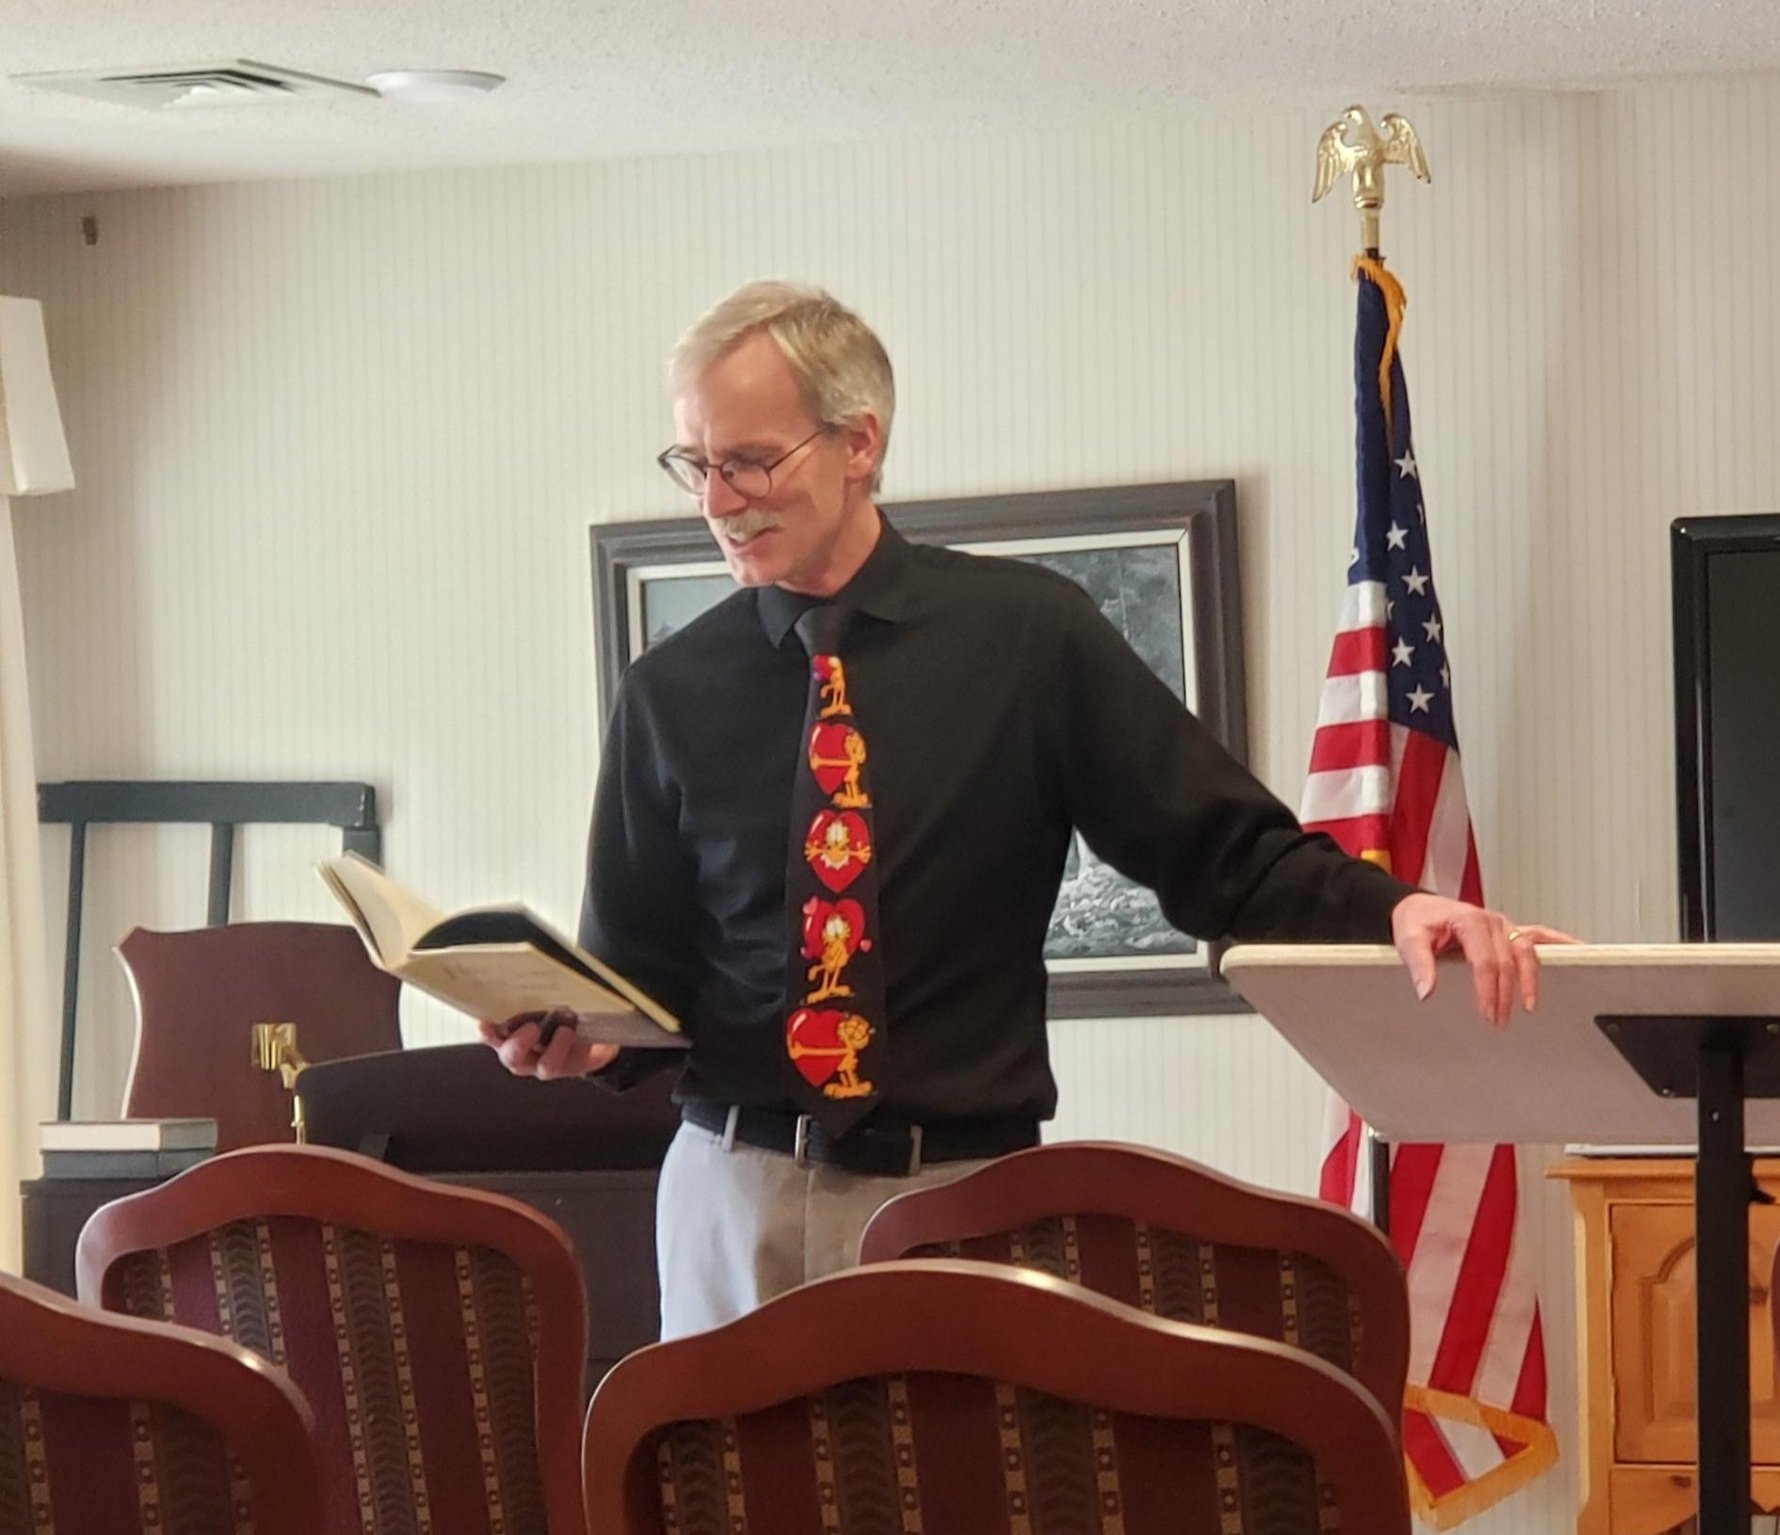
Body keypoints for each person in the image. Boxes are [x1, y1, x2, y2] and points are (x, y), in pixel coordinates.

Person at [482, 280, 1568, 1339]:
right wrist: (583, 1039)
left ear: (858, 443)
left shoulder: (1029, 638)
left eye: (751, 460)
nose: (718, 499)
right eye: (698, 464)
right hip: (730, 1194)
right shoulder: (667, 690)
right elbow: (638, 973)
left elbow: (1222, 851)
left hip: (958, 1192)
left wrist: (1392, 910)